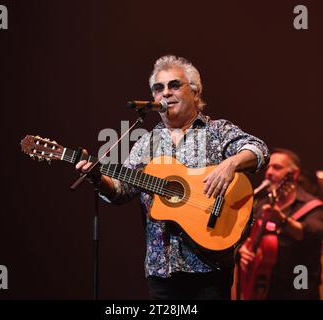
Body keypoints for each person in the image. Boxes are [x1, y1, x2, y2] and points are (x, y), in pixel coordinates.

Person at [76, 55, 269, 300]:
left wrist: (231, 164)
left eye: (174, 85)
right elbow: (121, 190)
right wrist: (98, 178)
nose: (165, 93)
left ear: (196, 92)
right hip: (161, 269)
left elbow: (259, 149)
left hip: (208, 265)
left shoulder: (217, 130)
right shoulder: (147, 142)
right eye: (158, 88)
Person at [238, 148, 323, 300]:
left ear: (294, 174)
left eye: (277, 167)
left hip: (299, 283)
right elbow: (244, 236)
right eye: (268, 167)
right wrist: (243, 249)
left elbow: (313, 233)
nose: (269, 173)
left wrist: (282, 220)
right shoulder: (260, 205)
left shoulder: (312, 205)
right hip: (264, 287)